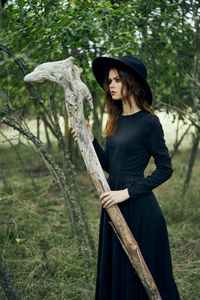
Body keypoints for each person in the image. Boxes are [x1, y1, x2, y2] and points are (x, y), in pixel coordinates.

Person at [70, 56, 180, 300]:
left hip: (140, 212)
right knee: (119, 276)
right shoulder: (116, 120)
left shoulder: (149, 122)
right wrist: (90, 140)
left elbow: (165, 169)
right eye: (109, 81)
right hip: (113, 207)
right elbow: (111, 166)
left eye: (117, 80)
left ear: (132, 82)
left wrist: (126, 193)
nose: (111, 85)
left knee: (145, 280)